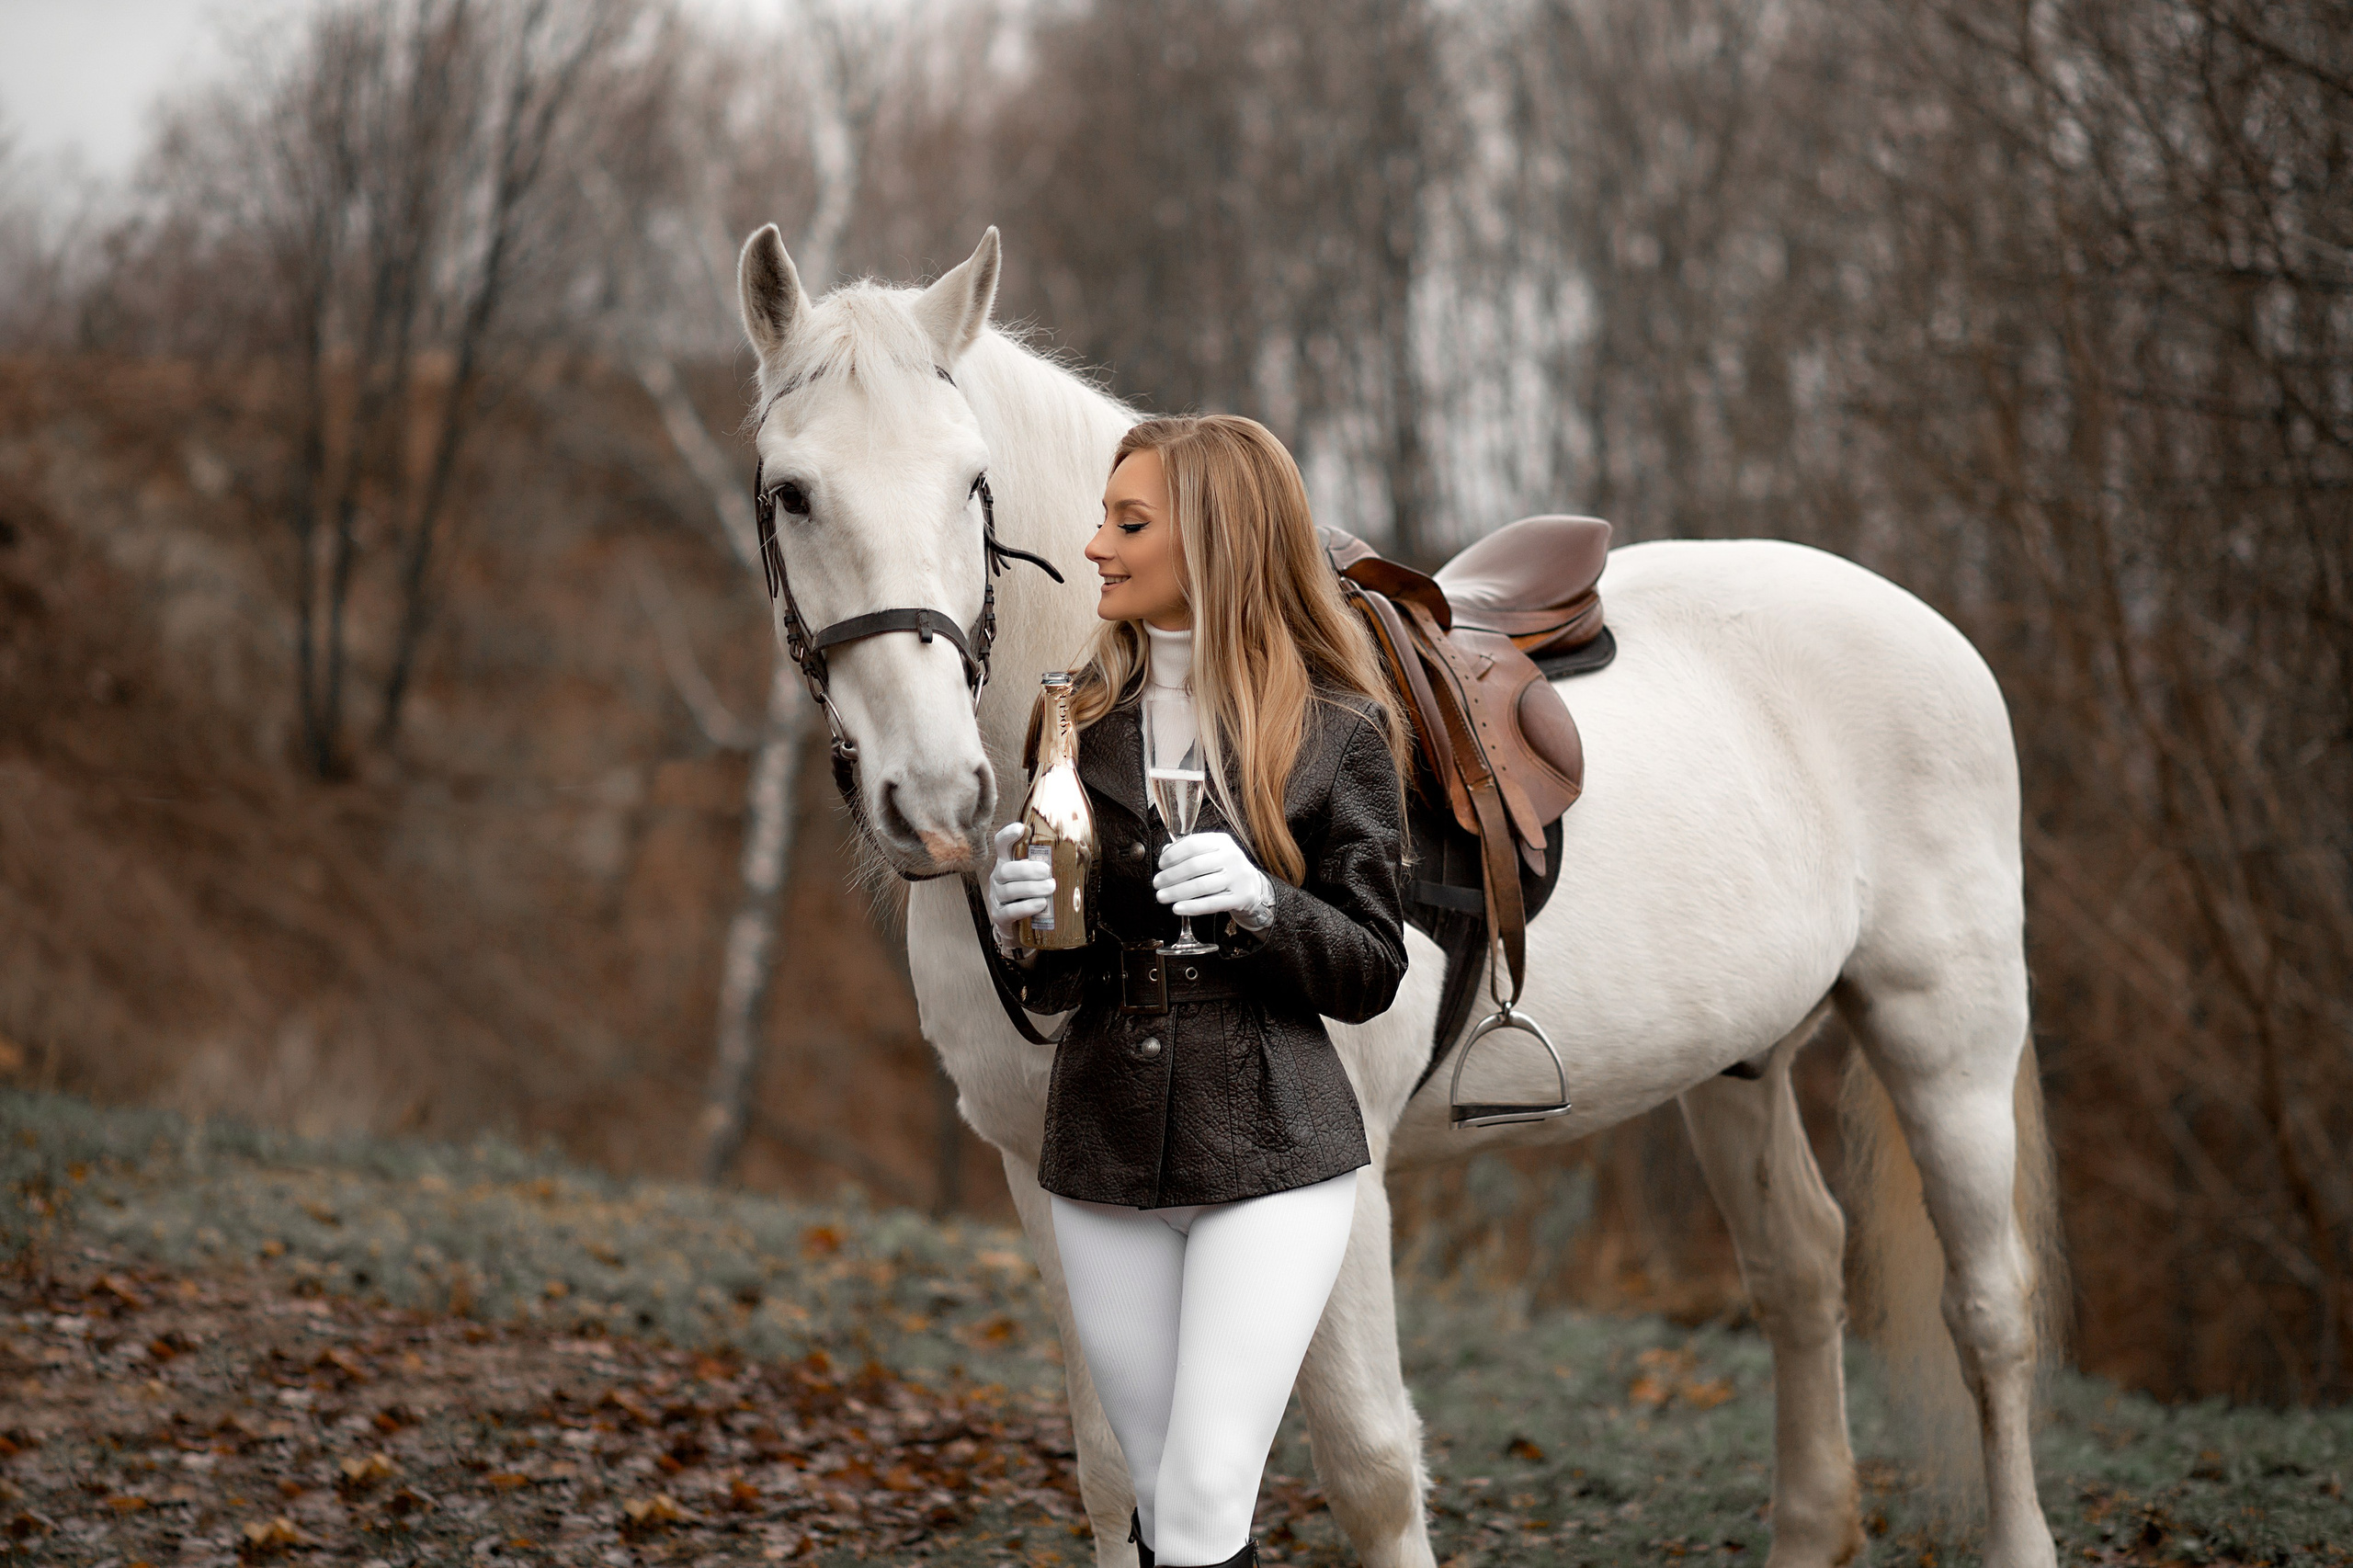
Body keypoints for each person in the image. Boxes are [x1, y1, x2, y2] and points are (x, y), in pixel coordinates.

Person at [983, 415, 1412, 1568]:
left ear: (1217, 541)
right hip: (1103, 1150)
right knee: (1163, 1490)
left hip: (1274, 1144)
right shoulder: (1070, 722)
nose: (1095, 547)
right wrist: (1022, 914)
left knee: (1212, 1488)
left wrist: (1267, 905)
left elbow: (1372, 966)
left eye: (1129, 523)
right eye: (1103, 519)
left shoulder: (1339, 731)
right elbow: (1059, 979)